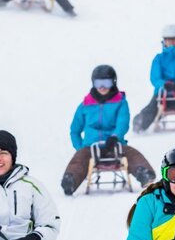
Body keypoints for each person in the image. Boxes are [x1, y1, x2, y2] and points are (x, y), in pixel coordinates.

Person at [61, 64, 158, 195]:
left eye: (106, 83)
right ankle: (70, 180)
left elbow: (123, 123)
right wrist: (80, 147)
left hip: (114, 143)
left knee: (131, 153)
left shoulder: (120, 102)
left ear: (113, 82)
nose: (102, 87)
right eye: (98, 83)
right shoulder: (85, 104)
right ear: (93, 83)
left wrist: (115, 136)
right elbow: (75, 130)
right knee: (79, 159)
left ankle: (145, 173)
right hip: (91, 145)